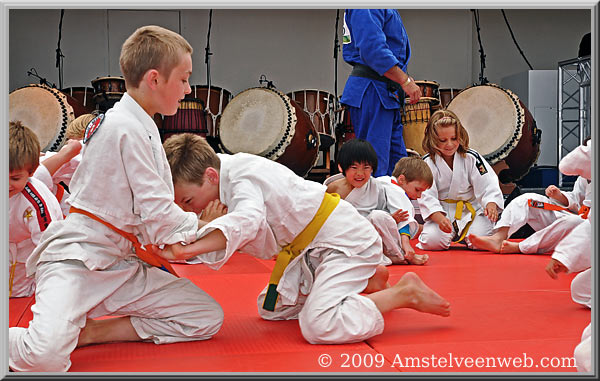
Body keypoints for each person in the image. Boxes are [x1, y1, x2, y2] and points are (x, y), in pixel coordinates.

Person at [9, 25, 224, 372]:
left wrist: (201, 233)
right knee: (45, 358)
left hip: (119, 264)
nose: (188, 89)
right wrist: (211, 229)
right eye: (184, 79)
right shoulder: (123, 127)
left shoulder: (143, 125)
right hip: (77, 260)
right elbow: (158, 216)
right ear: (154, 79)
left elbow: (155, 217)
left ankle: (93, 332)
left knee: (204, 316)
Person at [160, 133, 451, 345]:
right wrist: (198, 231)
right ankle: (368, 281)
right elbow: (244, 227)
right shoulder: (222, 171)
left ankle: (402, 293)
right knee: (272, 309)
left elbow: (247, 222)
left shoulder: (239, 179)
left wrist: (191, 248)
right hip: (311, 247)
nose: (189, 208)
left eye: (187, 200)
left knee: (318, 325)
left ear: (210, 176)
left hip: (345, 242)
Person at [340, 9, 422, 177]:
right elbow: (372, 50)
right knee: (376, 163)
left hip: (384, 91)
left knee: (397, 166)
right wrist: (404, 80)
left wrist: (401, 79)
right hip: (373, 90)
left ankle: (394, 202)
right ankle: (375, 204)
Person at [324, 139, 431, 265]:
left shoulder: (378, 186)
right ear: (341, 167)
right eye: (354, 167)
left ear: (372, 169)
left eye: (366, 168)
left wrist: (390, 219)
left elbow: (392, 216)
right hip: (345, 234)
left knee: (378, 216)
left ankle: (399, 255)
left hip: (371, 235)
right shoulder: (333, 188)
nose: (360, 173)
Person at [416, 110, 504, 251]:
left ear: (460, 136)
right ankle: (447, 232)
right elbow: (426, 195)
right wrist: (438, 217)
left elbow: (488, 183)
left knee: (480, 241)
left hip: (471, 211)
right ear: (432, 140)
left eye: (454, 138)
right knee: (432, 241)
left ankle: (468, 234)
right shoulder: (427, 163)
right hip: (442, 212)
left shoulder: (471, 157)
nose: (449, 144)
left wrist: (491, 203)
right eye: (443, 140)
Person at [8, 121, 64, 298]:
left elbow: (50, 246)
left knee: (16, 293)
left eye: (15, 178)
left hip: (22, 263)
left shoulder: (36, 202)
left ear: (31, 172)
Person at [468, 176, 590, 253]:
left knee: (576, 222)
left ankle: (521, 247)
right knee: (527, 199)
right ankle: (498, 237)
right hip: (573, 219)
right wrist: (559, 196)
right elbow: (577, 200)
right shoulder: (585, 175)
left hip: (586, 233)